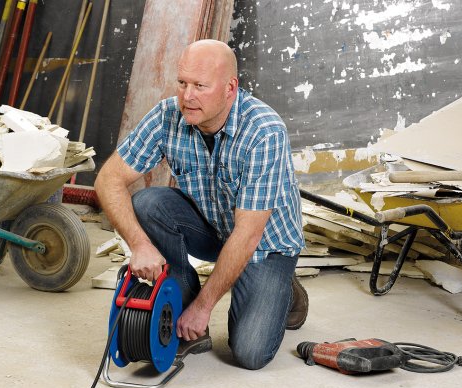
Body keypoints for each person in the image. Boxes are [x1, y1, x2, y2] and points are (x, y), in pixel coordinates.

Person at [95, 39, 306, 370]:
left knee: (250, 352)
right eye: (182, 83)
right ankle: (186, 304)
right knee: (148, 203)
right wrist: (140, 245)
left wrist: (205, 307)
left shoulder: (264, 132)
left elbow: (248, 235)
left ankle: (284, 290)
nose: (187, 96)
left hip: (264, 245)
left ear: (230, 88)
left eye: (200, 86)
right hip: (213, 228)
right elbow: (108, 179)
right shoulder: (167, 116)